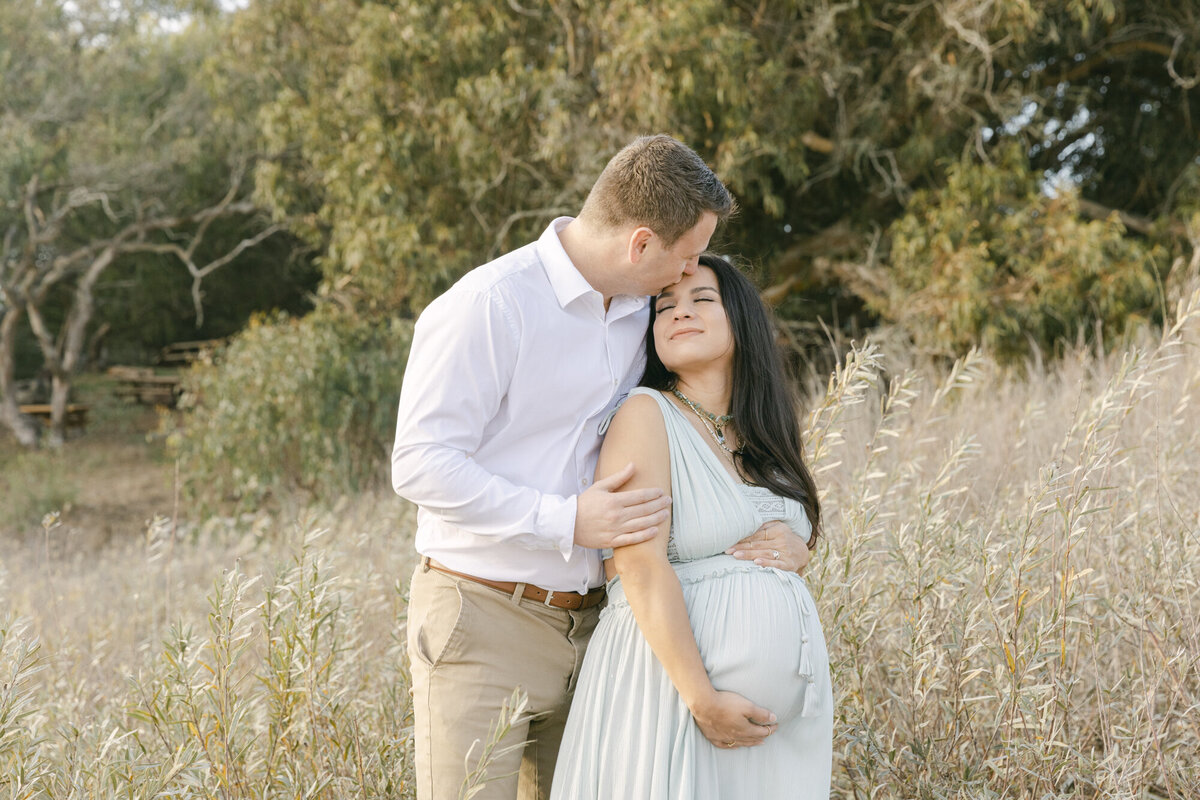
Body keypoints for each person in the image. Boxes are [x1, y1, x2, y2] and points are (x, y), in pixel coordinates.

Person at [392, 135, 814, 800]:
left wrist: (791, 542)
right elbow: (419, 464)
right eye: (688, 254)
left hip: (600, 637)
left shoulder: (637, 311)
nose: (690, 274)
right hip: (484, 615)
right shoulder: (491, 305)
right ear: (641, 245)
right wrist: (565, 518)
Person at [550, 255, 833, 799]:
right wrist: (702, 699)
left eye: (702, 300)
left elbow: (764, 534)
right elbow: (636, 564)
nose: (680, 313)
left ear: (742, 320)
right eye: (664, 307)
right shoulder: (645, 414)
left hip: (779, 733)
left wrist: (798, 551)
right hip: (674, 697)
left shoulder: (764, 431)